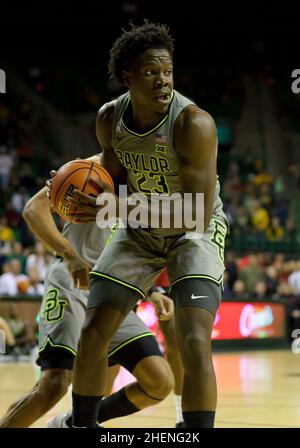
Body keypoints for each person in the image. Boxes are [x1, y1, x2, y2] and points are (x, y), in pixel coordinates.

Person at [68, 21, 228, 428]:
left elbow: (196, 213)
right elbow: (111, 189)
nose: (163, 81)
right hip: (139, 231)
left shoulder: (193, 123)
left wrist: (114, 206)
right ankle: (81, 424)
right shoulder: (110, 119)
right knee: (94, 329)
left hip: (194, 232)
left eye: (168, 71)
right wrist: (82, 198)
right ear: (128, 78)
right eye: (151, 73)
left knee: (194, 340)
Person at [0, 154, 175, 428]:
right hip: (72, 279)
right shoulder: (94, 167)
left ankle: (70, 424)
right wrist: (69, 254)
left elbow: (137, 248)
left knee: (159, 382)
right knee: (55, 382)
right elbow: (33, 209)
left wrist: (152, 290)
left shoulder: (155, 187)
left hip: (113, 292)